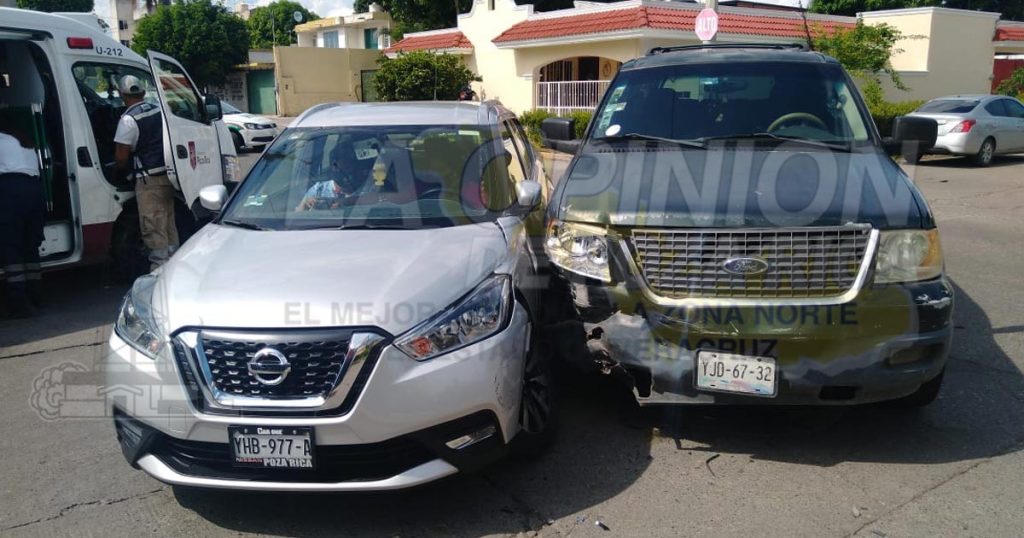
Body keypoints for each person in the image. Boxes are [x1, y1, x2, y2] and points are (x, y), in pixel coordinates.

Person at [113, 75, 178, 270]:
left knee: (153, 227)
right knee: (168, 224)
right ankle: (174, 266)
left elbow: (121, 157)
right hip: (169, 175)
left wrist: (119, 174)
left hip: (148, 181)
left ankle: (159, 274)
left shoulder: (128, 120)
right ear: (142, 92)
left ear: (122, 94)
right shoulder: (159, 110)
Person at [0, 109, 44, 318]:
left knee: (10, 247)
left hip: (11, 190)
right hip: (34, 190)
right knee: (29, 245)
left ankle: (18, 304)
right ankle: (37, 296)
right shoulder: (24, 140)